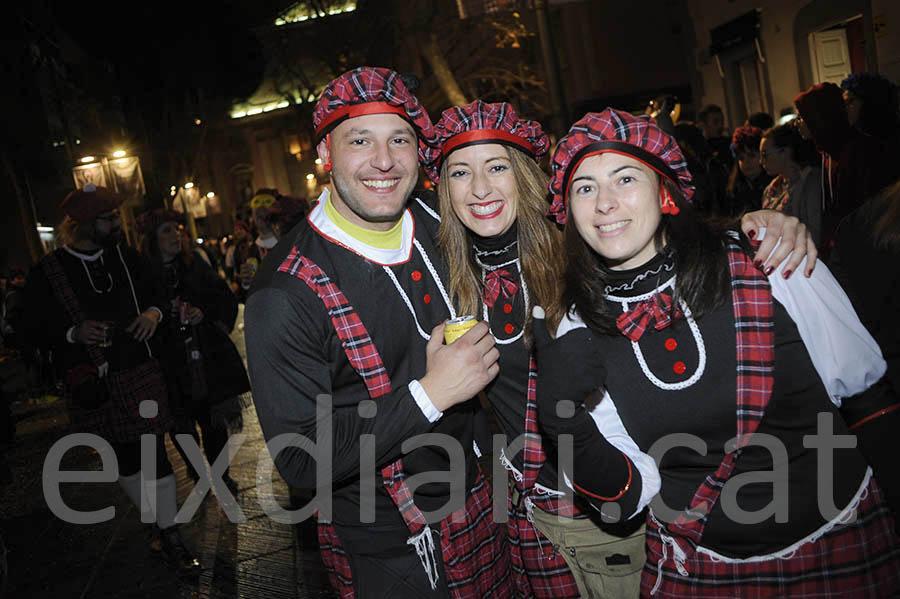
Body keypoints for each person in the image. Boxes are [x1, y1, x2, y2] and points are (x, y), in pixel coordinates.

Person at [538, 108, 900, 597]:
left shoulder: (768, 256)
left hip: (839, 548)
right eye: (584, 187)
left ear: (665, 191)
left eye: (625, 178)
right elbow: (621, 503)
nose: (604, 203)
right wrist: (564, 423)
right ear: (568, 210)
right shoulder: (580, 325)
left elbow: (870, 399)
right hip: (700, 573)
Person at [245, 67, 511, 598]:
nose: (384, 161)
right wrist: (431, 395)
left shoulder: (444, 220)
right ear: (324, 154)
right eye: (359, 140)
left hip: (488, 502)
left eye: (400, 140)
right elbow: (299, 458)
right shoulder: (285, 293)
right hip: (393, 547)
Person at [21, 185, 200, 576]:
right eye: (107, 219)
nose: (115, 223)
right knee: (125, 459)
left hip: (141, 370)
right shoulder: (48, 273)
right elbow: (25, 326)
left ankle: (172, 535)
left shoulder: (127, 257)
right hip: (95, 381)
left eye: (115, 216)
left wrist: (153, 313)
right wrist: (71, 333)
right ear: (82, 224)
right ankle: (155, 523)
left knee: (154, 452)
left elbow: (157, 292)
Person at [136, 208, 250, 497]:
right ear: (152, 239)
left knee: (212, 420)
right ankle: (195, 470)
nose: (175, 235)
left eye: (177, 229)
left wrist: (204, 313)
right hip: (169, 363)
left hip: (205, 356)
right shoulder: (142, 275)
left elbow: (223, 297)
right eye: (166, 231)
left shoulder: (194, 266)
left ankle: (222, 475)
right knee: (180, 422)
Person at [793, 82, 899, 250]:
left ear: (818, 117)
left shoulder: (862, 150)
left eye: (802, 117)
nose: (797, 123)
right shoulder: (827, 151)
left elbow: (868, 207)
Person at [760, 123, 823, 245]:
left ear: (785, 151)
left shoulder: (810, 182)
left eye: (765, 155)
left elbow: (815, 233)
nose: (761, 161)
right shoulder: (771, 189)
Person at [840, 72, 900, 149]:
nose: (845, 107)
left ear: (869, 101)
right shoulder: (854, 138)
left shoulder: (891, 140)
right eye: (844, 102)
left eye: (850, 101)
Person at [725, 126, 771, 216]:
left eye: (751, 155)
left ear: (762, 155)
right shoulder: (733, 189)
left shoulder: (773, 186)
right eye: (741, 158)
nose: (746, 162)